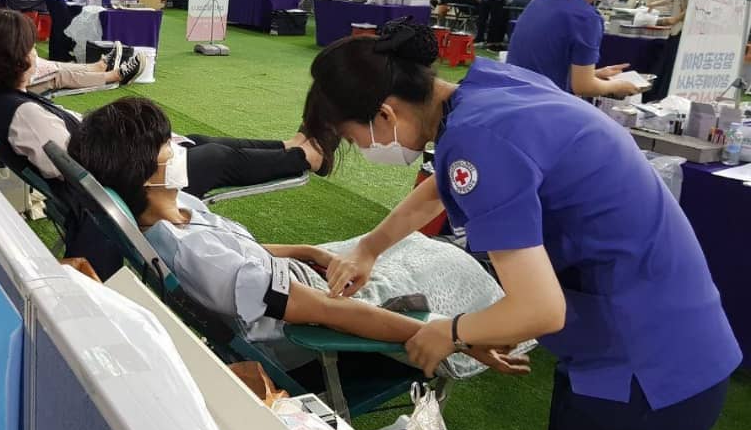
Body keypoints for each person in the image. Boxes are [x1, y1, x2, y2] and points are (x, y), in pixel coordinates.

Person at [301, 19, 740, 430]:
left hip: (650, 364)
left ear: (385, 114)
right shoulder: (487, 91)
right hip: (644, 333)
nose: (367, 148)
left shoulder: (476, 141)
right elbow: (444, 187)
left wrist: (452, 332)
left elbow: (539, 309)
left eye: (357, 138)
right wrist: (371, 247)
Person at [69, 95, 529, 378]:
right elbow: (325, 310)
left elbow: (245, 254)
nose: (180, 147)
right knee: (448, 265)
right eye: (168, 145)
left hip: (296, 280)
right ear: (145, 172)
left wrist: (310, 251)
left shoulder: (176, 211)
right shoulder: (199, 257)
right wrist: (456, 337)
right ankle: (493, 281)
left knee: (408, 245)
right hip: (306, 321)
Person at [0, 9, 325, 193]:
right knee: (217, 157)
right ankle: (305, 157)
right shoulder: (23, 113)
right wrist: (135, 142)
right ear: (15, 57)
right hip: (129, 182)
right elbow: (78, 169)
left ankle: (289, 145)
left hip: (117, 163)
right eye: (30, 49)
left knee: (200, 141)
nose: (35, 57)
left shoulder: (3, 99)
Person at [507, 0, 642, 98]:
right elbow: (584, 87)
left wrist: (595, 74)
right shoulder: (585, 18)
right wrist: (617, 85)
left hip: (513, 95)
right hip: (541, 102)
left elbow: (543, 67)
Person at [651, 0, 696, 98]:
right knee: (667, 65)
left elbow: (692, 5)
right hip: (675, 29)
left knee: (671, 66)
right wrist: (653, 4)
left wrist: (675, 19)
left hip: (680, 30)